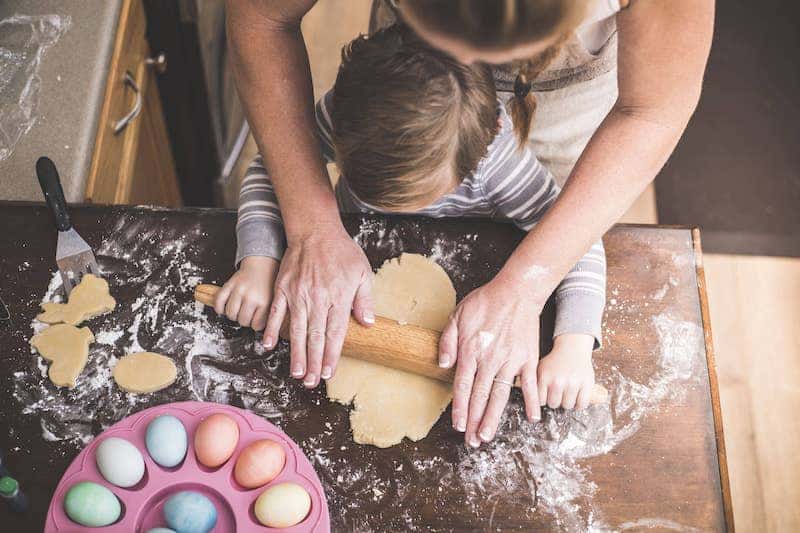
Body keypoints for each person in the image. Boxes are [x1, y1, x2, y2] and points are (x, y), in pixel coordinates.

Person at [225, 0, 713, 446]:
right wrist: (309, 231)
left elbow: (652, 113)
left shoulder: (497, 163)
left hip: (509, 132)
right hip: (406, 100)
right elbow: (262, 19)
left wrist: (539, 300)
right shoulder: (367, 117)